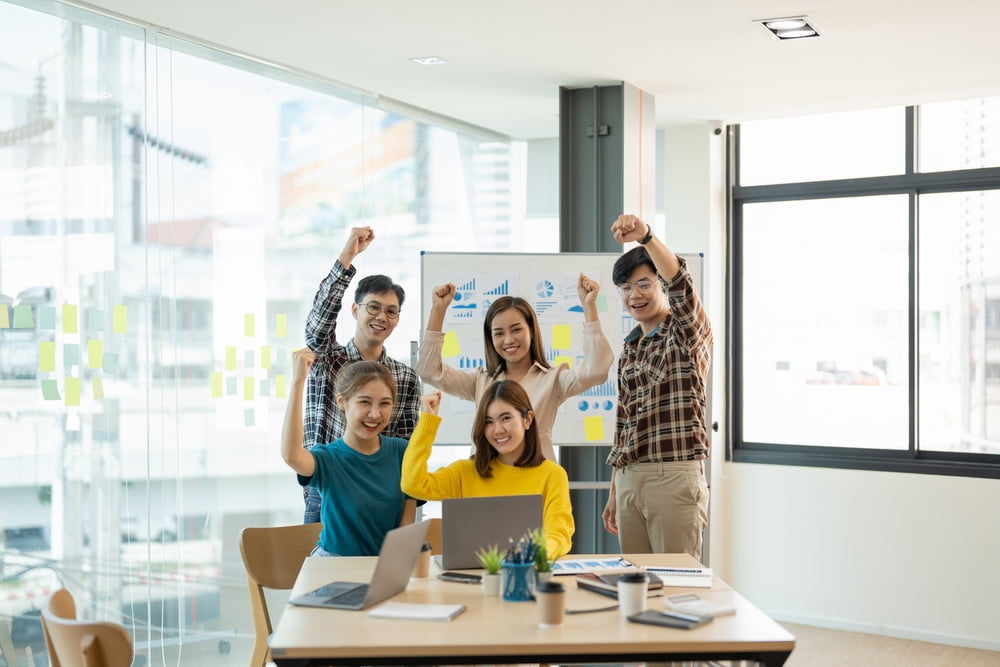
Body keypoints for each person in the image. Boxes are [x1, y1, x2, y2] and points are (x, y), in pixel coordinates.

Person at [602, 213, 713, 559]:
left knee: (676, 588)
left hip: (673, 477)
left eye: (644, 284)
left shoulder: (686, 332)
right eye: (626, 288)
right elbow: (625, 427)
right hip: (630, 481)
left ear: (661, 285)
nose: (634, 295)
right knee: (636, 590)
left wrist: (646, 237)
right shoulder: (631, 346)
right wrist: (615, 489)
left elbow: (681, 281)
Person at [417, 275, 613, 463]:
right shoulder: (480, 381)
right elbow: (429, 371)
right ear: (491, 338)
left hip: (537, 484)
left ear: (531, 330)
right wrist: (438, 311)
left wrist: (589, 307)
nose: (509, 340)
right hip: (487, 482)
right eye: (499, 333)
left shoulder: (554, 379)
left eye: (516, 329)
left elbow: (597, 370)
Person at [301, 226, 421, 524]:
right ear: (355, 310)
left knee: (390, 571)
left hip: (384, 495)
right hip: (326, 489)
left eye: (391, 311)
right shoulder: (328, 358)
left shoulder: (404, 377)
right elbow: (318, 326)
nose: (381, 317)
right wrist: (347, 256)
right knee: (324, 570)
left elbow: (407, 449)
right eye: (374, 307)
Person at [400, 380, 574, 558]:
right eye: (489, 422)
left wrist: (529, 553)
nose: (497, 430)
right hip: (472, 578)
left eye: (506, 418)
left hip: (526, 574)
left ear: (527, 419)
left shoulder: (552, 475)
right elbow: (412, 484)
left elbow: (559, 535)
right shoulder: (465, 472)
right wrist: (428, 422)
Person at [282, 351, 417, 556]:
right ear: (342, 402)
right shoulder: (327, 458)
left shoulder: (402, 452)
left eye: (384, 403)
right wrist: (298, 380)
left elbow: (406, 531)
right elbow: (291, 455)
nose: (375, 414)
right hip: (334, 568)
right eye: (364, 402)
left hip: (384, 568)